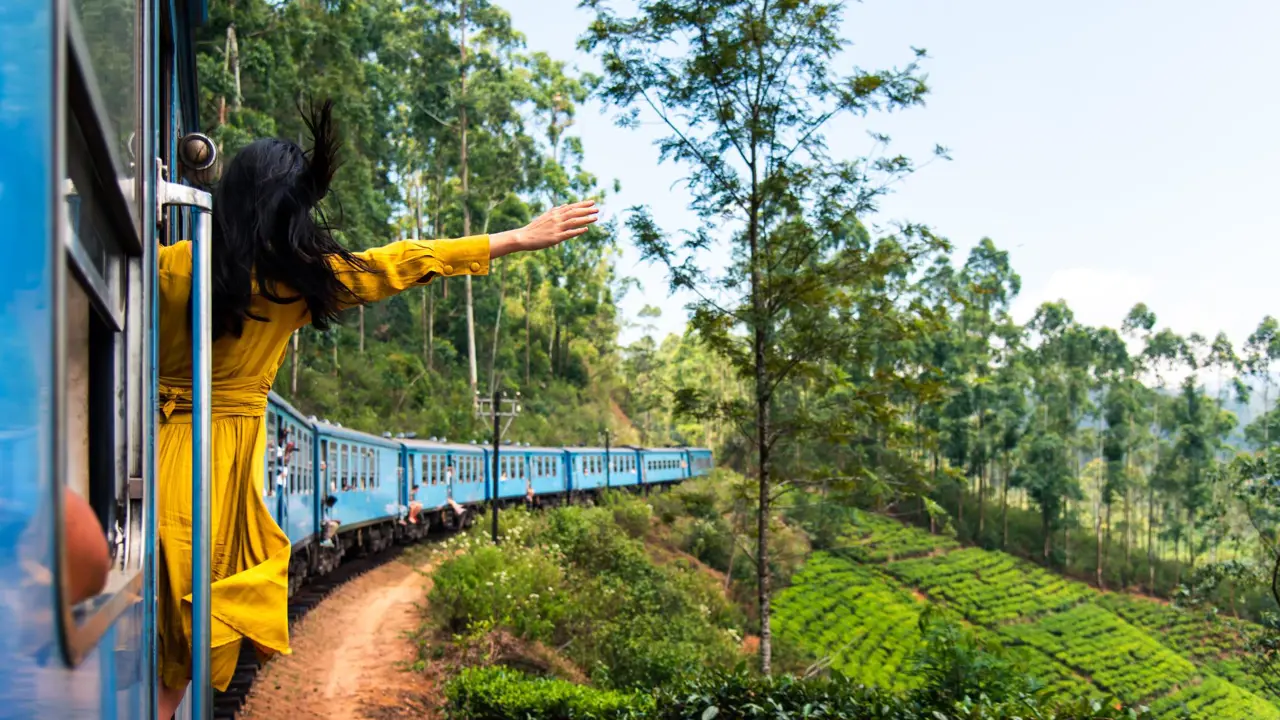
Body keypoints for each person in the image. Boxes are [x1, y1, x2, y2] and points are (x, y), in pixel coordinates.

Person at [153, 100, 598, 719]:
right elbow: (403, 261)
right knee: (190, 625)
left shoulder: (165, 268)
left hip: (149, 446)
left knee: (150, 611)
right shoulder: (297, 285)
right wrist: (515, 239)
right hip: (219, 465)